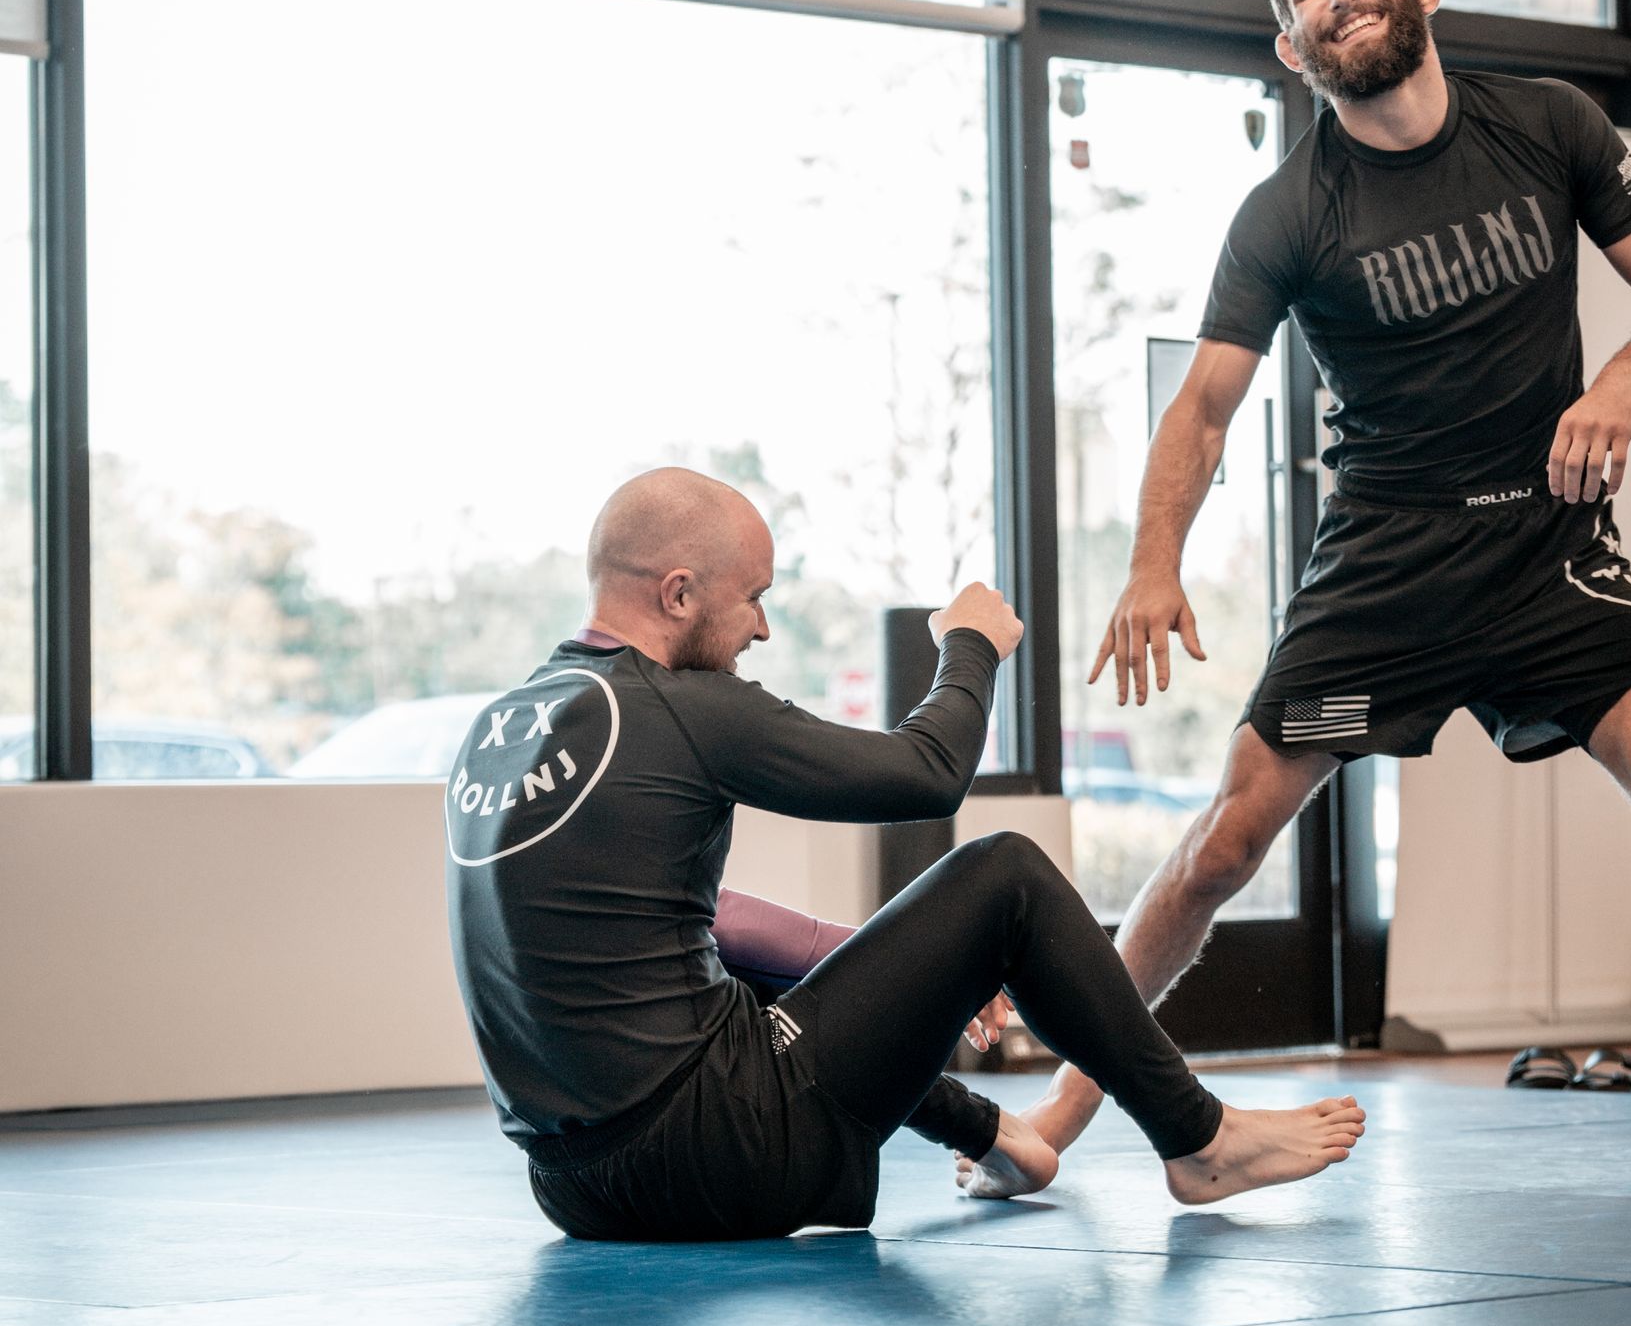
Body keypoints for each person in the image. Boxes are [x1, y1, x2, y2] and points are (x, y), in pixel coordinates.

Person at [1016, 0, 1631, 1207]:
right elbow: (1203, 407)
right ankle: (1056, 1119)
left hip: (1549, 553)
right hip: (1384, 568)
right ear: (1289, 48)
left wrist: (1618, 387)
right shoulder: (1287, 212)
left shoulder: (1549, 125)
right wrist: (1153, 566)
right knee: (1221, 849)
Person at [445, 466, 1365, 1242]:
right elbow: (927, 774)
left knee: (731, 1002)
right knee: (1004, 873)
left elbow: (694, 923)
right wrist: (970, 642)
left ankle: (1006, 1136)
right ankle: (1199, 1142)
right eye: (753, 600)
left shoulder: (506, 727)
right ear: (678, 594)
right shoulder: (680, 705)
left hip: (577, 1191)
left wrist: (899, 965)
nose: (760, 630)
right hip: (719, 1161)